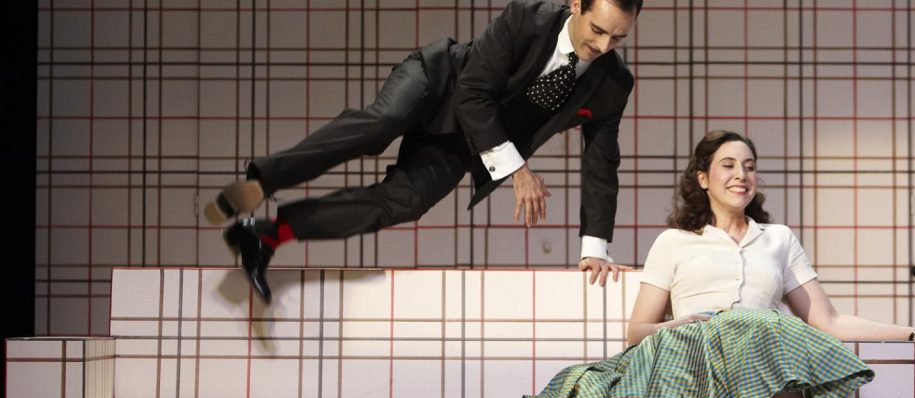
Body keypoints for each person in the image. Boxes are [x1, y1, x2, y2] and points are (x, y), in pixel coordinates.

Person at [503, 130, 915, 398]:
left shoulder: (778, 239)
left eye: (750, 167)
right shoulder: (675, 241)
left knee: (759, 327)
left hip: (759, 354)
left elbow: (827, 320)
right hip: (691, 355)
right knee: (757, 329)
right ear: (703, 178)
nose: (742, 175)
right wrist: (681, 323)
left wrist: (911, 333)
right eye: (729, 165)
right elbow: (637, 331)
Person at [206, 0, 640, 302]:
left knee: (406, 201)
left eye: (617, 38)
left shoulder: (613, 83)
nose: (603, 46)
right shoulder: (526, 19)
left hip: (464, 141)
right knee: (380, 124)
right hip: (439, 83)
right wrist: (517, 170)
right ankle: (263, 180)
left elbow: (601, 163)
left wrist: (595, 249)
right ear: (577, 5)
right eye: (598, 30)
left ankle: (266, 234)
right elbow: (472, 92)